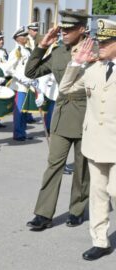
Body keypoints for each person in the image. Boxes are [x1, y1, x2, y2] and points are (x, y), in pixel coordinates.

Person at [25, 10, 91, 230]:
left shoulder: (95, 51)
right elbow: (31, 72)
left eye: (69, 29)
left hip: (86, 116)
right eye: (62, 28)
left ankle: (77, 209)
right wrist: (42, 45)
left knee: (82, 168)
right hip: (62, 116)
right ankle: (43, 213)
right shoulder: (59, 53)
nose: (64, 32)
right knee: (54, 165)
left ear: (82, 29)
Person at [58, 19, 116, 261]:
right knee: (99, 195)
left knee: (114, 192)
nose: (99, 46)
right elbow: (65, 89)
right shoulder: (92, 69)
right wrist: (75, 63)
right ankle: (100, 241)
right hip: (95, 144)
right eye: (98, 41)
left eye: (106, 42)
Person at [6, 26, 43, 141]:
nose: (26, 38)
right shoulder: (16, 52)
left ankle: (22, 132)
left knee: (24, 110)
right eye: (24, 36)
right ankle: (18, 134)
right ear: (18, 38)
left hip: (28, 85)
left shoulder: (26, 50)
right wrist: (21, 78)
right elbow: (9, 69)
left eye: (27, 35)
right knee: (19, 111)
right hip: (20, 85)